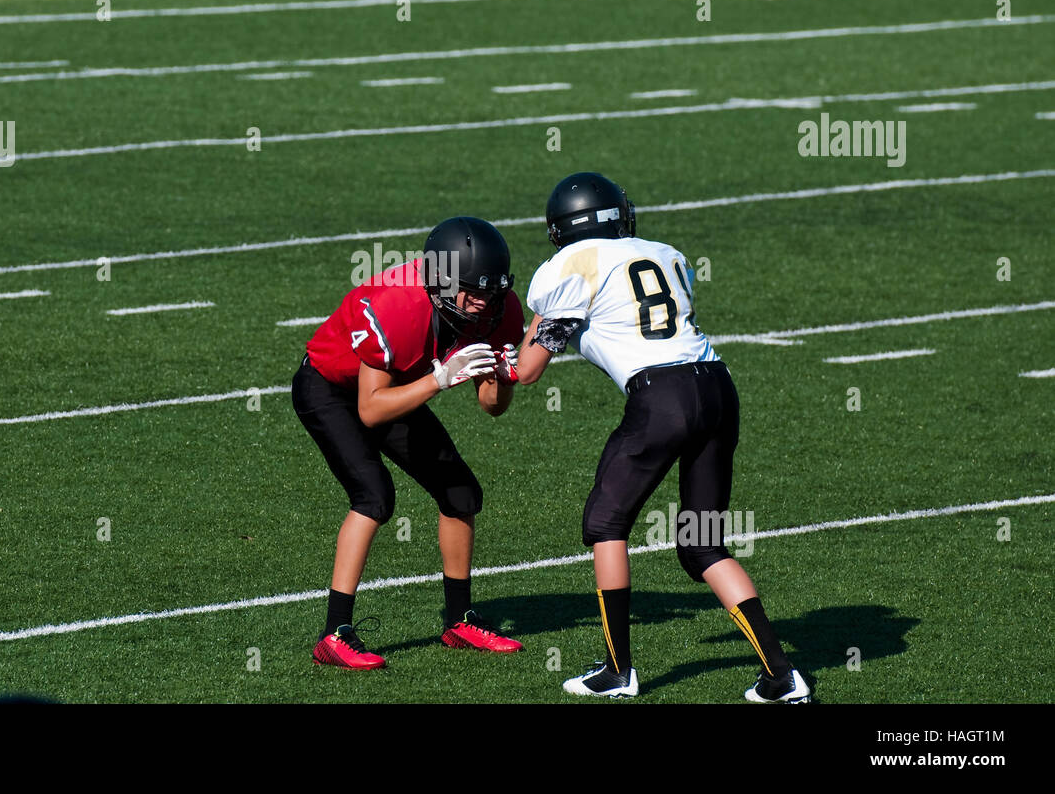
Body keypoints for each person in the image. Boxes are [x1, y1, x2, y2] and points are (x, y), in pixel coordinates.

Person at [513, 172, 811, 703]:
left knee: (606, 523)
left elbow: (530, 368)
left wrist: (502, 349)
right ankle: (783, 677)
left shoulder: (570, 266)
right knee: (703, 544)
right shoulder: (665, 253)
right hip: (717, 387)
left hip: (661, 397)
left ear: (564, 229)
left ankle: (617, 670)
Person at [294, 216, 525, 669]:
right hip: (329, 387)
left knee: (460, 491)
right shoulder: (397, 305)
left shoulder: (500, 308)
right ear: (440, 281)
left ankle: (459, 620)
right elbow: (370, 410)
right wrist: (439, 379)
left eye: (491, 290)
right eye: (472, 290)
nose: (483, 302)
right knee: (374, 496)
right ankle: (334, 633)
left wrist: (503, 376)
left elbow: (491, 406)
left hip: (395, 385)